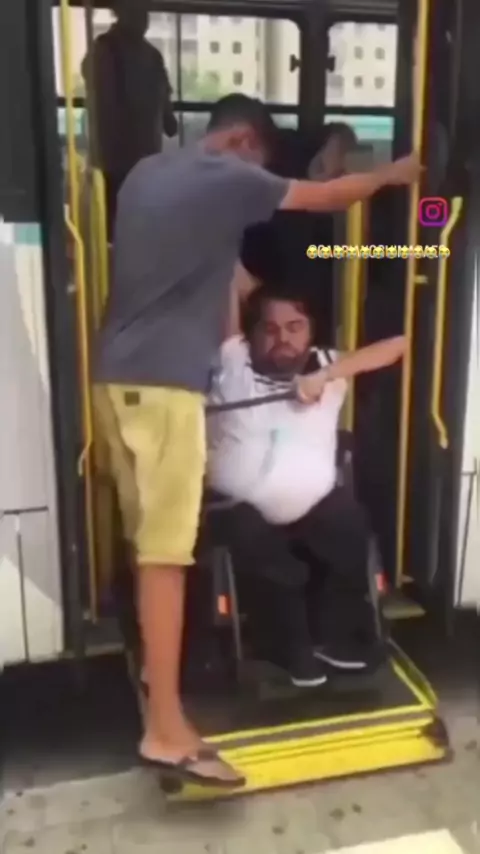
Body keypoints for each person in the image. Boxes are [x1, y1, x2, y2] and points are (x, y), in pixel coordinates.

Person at [93, 90, 420, 788]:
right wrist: (396, 175)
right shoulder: (228, 177)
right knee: (167, 554)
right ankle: (167, 729)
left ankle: (158, 678)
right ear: (244, 143)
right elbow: (329, 198)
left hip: (115, 380)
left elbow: (218, 275)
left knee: (148, 542)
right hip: (164, 387)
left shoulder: (150, 173)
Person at [207, 280, 406, 686]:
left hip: (312, 506)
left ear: (311, 331)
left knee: (349, 523)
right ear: (251, 334)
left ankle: (336, 642)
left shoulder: (328, 364)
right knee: (258, 542)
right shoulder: (232, 360)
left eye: (295, 327)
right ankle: (289, 650)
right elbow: (227, 283)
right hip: (235, 508)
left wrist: (326, 375)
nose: (283, 338)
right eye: (270, 329)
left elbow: (399, 345)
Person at [81, 0, 177, 236]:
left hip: (141, 158)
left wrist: (167, 117)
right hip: (114, 161)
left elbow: (164, 99)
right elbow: (103, 102)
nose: (144, 20)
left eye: (145, 14)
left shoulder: (150, 55)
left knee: (137, 226)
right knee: (116, 226)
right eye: (139, 13)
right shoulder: (105, 51)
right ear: (122, 14)